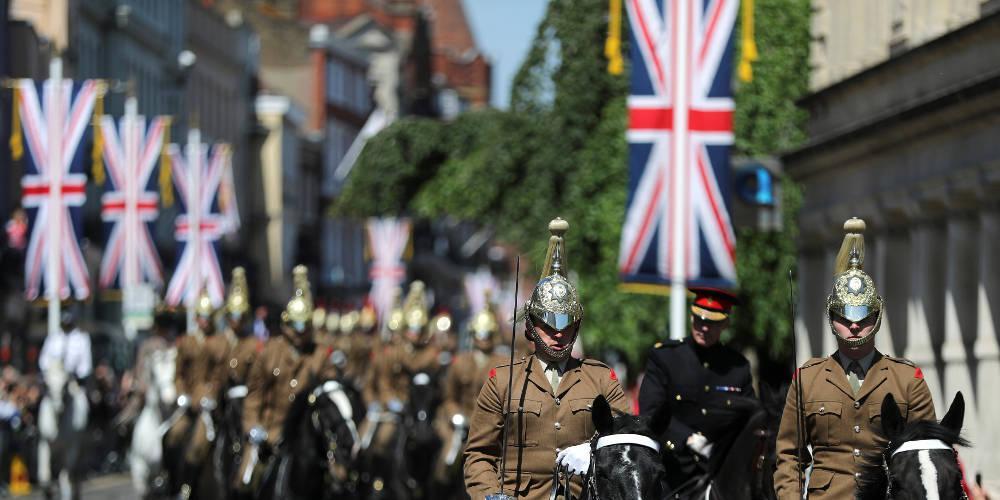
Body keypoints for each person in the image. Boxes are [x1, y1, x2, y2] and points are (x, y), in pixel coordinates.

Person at [463, 218, 628, 500]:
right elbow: (479, 455)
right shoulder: (502, 380)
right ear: (530, 327)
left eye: (566, 326)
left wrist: (593, 453)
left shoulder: (601, 378)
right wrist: (491, 494)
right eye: (549, 327)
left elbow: (625, 445)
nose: (558, 334)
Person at [773, 218, 936, 499]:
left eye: (863, 318)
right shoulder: (808, 379)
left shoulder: (908, 380)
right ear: (831, 318)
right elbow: (790, 455)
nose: (854, 326)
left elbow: (926, 452)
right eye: (844, 318)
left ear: (877, 316)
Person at [637, 286, 755, 493]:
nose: (704, 328)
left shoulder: (738, 366)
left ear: (726, 323)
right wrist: (687, 438)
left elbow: (749, 419)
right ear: (691, 317)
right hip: (673, 471)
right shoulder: (666, 357)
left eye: (712, 322)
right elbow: (651, 409)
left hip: (723, 474)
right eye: (699, 320)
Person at [238, 265, 333, 492]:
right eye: (296, 326)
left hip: (309, 438)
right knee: (245, 481)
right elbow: (255, 395)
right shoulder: (270, 352)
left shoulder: (320, 356)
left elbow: (330, 396)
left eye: (305, 326)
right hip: (270, 433)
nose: (300, 332)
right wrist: (254, 427)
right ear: (286, 324)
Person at [432, 296, 506, 492]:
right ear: (473, 335)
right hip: (462, 425)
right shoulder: (460, 362)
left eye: (487, 334)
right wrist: (455, 415)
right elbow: (449, 397)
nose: (483, 338)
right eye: (479, 334)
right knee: (448, 459)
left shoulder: (504, 363)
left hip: (492, 427)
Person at [164, 289, 231, 499]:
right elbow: (178, 374)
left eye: (208, 317)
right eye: (202, 317)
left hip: (208, 405)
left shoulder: (221, 343)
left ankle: (188, 487)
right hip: (189, 402)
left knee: (197, 446)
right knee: (172, 436)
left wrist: (212, 395)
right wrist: (181, 393)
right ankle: (172, 482)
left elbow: (222, 375)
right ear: (196, 318)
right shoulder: (187, 342)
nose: (205, 321)